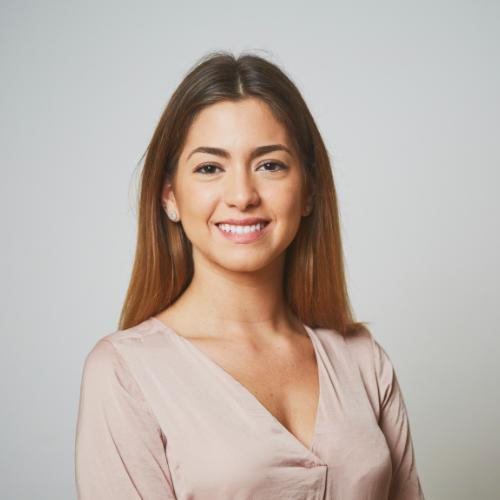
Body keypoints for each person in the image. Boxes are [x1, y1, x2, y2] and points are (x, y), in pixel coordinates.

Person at [74, 50, 425, 499]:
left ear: (309, 190)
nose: (241, 195)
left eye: (270, 164)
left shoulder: (362, 360)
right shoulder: (125, 372)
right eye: (209, 168)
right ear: (169, 197)